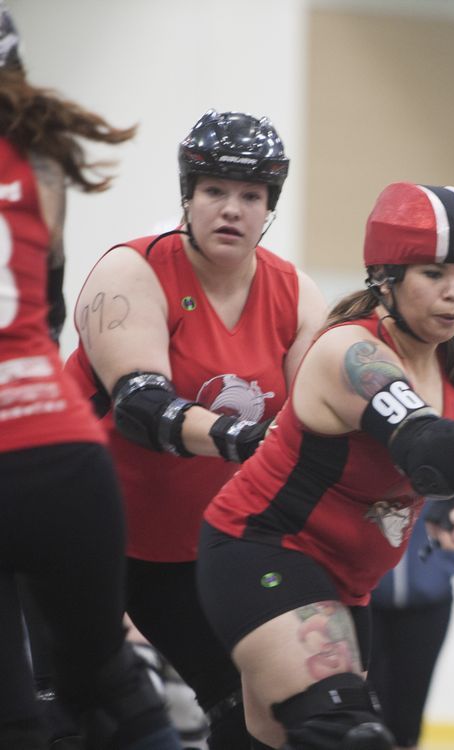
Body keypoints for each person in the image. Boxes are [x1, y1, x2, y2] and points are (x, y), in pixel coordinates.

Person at [195, 181, 454, 750]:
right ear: (387, 277)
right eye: (434, 274)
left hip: (348, 584)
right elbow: (432, 457)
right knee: (346, 733)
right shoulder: (353, 353)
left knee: (268, 741)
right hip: (265, 550)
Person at [63, 109, 328, 749]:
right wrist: (251, 438)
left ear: (270, 207)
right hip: (79, 537)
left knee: (251, 719)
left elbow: (326, 417)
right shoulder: (132, 272)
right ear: (188, 195)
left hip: (188, 552)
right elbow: (143, 407)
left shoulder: (296, 295)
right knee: (60, 720)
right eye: (214, 191)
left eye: (249, 195)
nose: (230, 210)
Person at [0, 4, 182, 748]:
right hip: (65, 453)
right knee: (106, 684)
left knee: (17, 716)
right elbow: (41, 303)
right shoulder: (42, 163)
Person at [367, 482, 454, 750]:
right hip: (364, 602)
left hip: (429, 606)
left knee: (409, 710)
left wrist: (440, 570)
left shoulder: (444, 457)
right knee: (365, 707)